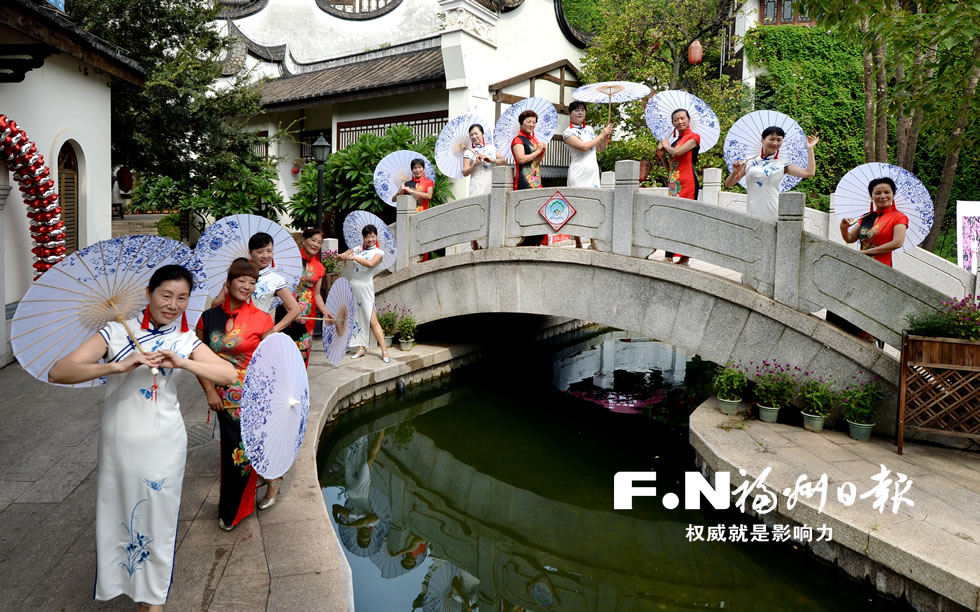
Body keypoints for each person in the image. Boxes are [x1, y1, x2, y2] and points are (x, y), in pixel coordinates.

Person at [48, 265, 237, 611]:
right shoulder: (114, 333)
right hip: (120, 441)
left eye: (182, 298)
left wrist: (183, 363)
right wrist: (117, 366)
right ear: (149, 292)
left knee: (159, 518)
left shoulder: (183, 340)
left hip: (164, 441)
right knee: (118, 514)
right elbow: (59, 371)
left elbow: (228, 373)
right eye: (166, 295)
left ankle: (152, 602)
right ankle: (130, 584)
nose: (173, 304)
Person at [196, 258, 278, 529]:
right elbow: (197, 357)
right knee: (234, 452)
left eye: (252, 282)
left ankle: (234, 510)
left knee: (243, 451)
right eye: (241, 280)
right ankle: (234, 508)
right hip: (223, 397)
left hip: (254, 395)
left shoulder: (262, 319)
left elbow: (271, 361)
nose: (246, 286)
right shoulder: (209, 318)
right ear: (228, 282)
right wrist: (210, 391)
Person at [828, 176, 909, 340]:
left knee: (871, 301)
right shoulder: (867, 217)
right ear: (871, 196)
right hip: (860, 265)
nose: (882, 196)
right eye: (877, 193)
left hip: (881, 266)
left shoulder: (899, 217)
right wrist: (843, 228)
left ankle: (869, 336)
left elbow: (897, 242)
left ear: (893, 194)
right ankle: (840, 335)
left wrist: (867, 253)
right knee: (847, 296)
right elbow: (850, 238)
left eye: (887, 192)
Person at [725, 126, 819, 222]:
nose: (775, 143)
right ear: (762, 140)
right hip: (753, 210)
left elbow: (809, 173)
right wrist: (734, 172)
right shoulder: (749, 161)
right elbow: (728, 184)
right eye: (772, 139)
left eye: (779, 140)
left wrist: (810, 149)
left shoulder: (784, 164)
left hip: (774, 209)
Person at [210, 232, 303, 328]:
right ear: (250, 252)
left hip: (258, 329)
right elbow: (214, 305)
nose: (265, 256)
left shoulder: (276, 280)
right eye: (260, 252)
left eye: (269, 251)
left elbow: (294, 309)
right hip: (231, 327)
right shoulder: (237, 274)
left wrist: (273, 330)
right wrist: (225, 293)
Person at [564, 100, 613, 250]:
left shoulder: (590, 129)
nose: (580, 113)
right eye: (576, 110)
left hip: (592, 171)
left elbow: (600, 148)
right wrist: (602, 133)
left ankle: (593, 242)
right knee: (576, 205)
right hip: (578, 172)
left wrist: (606, 137)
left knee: (593, 206)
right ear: (570, 114)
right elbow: (584, 147)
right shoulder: (568, 132)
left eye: (582, 110)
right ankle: (578, 242)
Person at [340, 224, 392, 363]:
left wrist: (353, 258)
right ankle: (361, 347)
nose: (370, 239)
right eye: (367, 236)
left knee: (372, 321)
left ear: (376, 237)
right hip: (354, 287)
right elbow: (343, 256)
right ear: (363, 238)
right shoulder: (357, 249)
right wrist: (342, 256)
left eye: (372, 236)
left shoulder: (379, 253)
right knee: (357, 317)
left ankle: (384, 351)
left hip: (365, 288)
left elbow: (370, 264)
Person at [657, 108, 700, 264]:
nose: (680, 122)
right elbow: (671, 168)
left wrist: (666, 146)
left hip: (689, 182)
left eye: (682, 118)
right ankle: (669, 254)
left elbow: (677, 153)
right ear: (673, 123)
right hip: (674, 182)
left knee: (685, 218)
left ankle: (684, 256)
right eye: (676, 119)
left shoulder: (694, 138)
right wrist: (662, 156)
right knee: (672, 217)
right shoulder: (674, 141)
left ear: (688, 120)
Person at [287, 228, 332, 365]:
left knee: (302, 352)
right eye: (313, 240)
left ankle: (299, 385)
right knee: (284, 351)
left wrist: (325, 311)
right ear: (304, 240)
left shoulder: (319, 267)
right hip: (286, 310)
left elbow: (317, 293)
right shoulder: (290, 260)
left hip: (307, 315)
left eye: (319, 242)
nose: (316, 245)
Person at [461, 123, 505, 251]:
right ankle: (475, 247)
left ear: (482, 134)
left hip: (490, 184)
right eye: (472, 135)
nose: (474, 136)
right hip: (476, 185)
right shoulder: (469, 152)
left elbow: (504, 161)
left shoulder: (491, 148)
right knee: (476, 215)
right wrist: (475, 164)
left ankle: (489, 245)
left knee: (491, 213)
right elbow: (465, 172)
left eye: (476, 133)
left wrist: (492, 160)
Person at [511, 109, 547, 246]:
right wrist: (537, 150)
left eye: (534, 122)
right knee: (530, 211)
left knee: (540, 211)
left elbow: (537, 162)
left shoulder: (534, 140)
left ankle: (534, 242)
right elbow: (520, 159)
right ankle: (529, 242)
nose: (531, 124)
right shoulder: (517, 140)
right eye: (528, 121)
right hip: (525, 180)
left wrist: (542, 151)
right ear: (522, 123)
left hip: (536, 180)